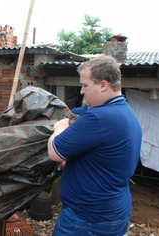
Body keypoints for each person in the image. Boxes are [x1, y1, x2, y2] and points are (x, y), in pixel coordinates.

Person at [48, 55, 142, 236]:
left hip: (86, 218)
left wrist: (59, 128)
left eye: (85, 85)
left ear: (103, 85)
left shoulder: (99, 118)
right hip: (115, 213)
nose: (81, 91)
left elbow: (55, 152)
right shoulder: (125, 113)